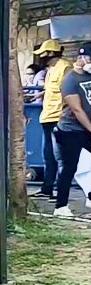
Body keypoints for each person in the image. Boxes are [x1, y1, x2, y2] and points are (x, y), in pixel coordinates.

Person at [53, 43, 91, 218]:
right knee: (69, 167)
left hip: (87, 128)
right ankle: (60, 206)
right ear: (81, 58)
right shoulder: (70, 79)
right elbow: (77, 110)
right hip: (71, 130)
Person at [33, 39, 72, 199]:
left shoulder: (65, 68)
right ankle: (47, 188)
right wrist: (40, 94)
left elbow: (68, 92)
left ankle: (59, 190)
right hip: (47, 117)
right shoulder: (51, 69)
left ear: (49, 53)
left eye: (42, 54)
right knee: (48, 155)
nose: (40, 57)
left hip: (59, 117)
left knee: (60, 156)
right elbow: (51, 90)